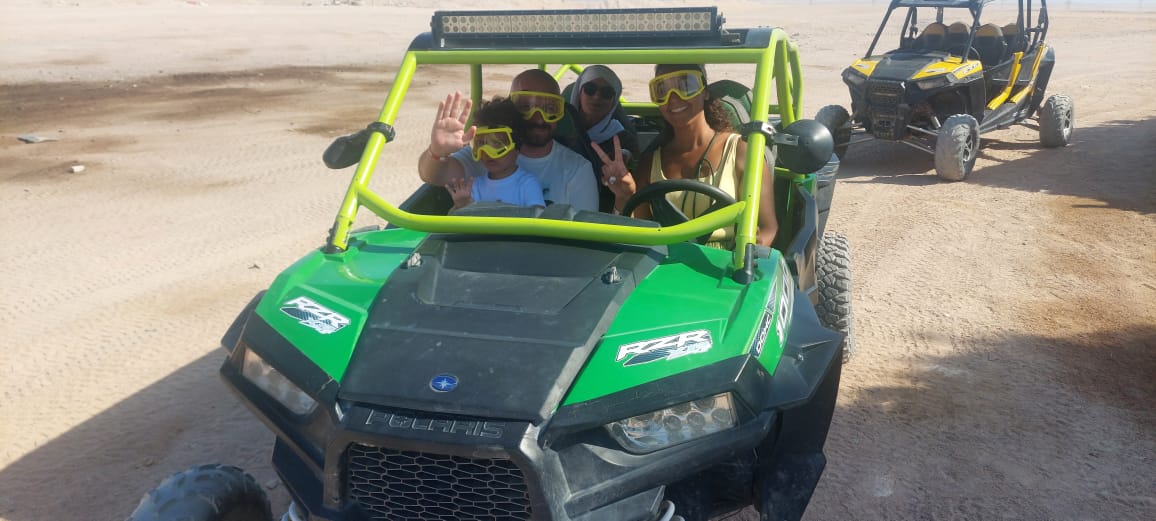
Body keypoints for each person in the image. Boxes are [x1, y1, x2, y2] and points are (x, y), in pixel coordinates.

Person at [595, 64, 778, 247]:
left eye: (685, 86)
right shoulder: (650, 163)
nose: (673, 98)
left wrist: (743, 264)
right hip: (663, 265)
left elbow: (766, 229)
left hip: (725, 265)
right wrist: (624, 196)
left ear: (705, 91)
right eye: (662, 90)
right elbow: (638, 235)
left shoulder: (742, 152)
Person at [418, 69, 599, 212]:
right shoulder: (486, 152)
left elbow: (586, 237)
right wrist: (437, 152)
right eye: (526, 106)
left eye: (550, 108)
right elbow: (433, 176)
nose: (538, 118)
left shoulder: (577, 170)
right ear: (511, 108)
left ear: (560, 113)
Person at [445, 97, 545, 210]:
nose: (487, 152)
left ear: (517, 145)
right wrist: (462, 205)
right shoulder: (474, 186)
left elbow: (538, 220)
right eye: (481, 143)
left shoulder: (527, 184)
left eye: (497, 144)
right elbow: (456, 222)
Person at [569, 65, 639, 164]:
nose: (597, 96)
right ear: (579, 93)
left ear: (613, 102)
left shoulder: (623, 139)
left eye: (606, 93)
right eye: (590, 89)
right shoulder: (559, 129)